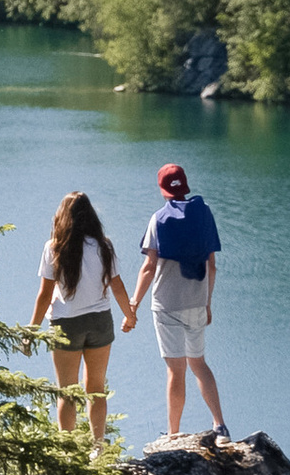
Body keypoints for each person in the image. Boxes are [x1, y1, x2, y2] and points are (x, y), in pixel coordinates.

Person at [27, 189, 136, 449]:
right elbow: (117, 286)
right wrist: (130, 316)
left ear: (63, 217)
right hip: (100, 321)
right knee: (96, 390)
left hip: (66, 325)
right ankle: (98, 448)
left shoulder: (53, 247)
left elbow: (44, 295)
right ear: (91, 217)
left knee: (67, 392)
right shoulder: (104, 246)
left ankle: (68, 452)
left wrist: (31, 331)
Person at [140, 159, 228, 442]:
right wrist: (207, 303)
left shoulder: (158, 219)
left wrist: (132, 303)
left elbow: (148, 267)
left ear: (163, 190)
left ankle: (174, 434)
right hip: (196, 302)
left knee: (175, 371)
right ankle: (220, 425)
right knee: (199, 364)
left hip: (166, 305)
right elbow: (211, 264)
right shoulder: (205, 214)